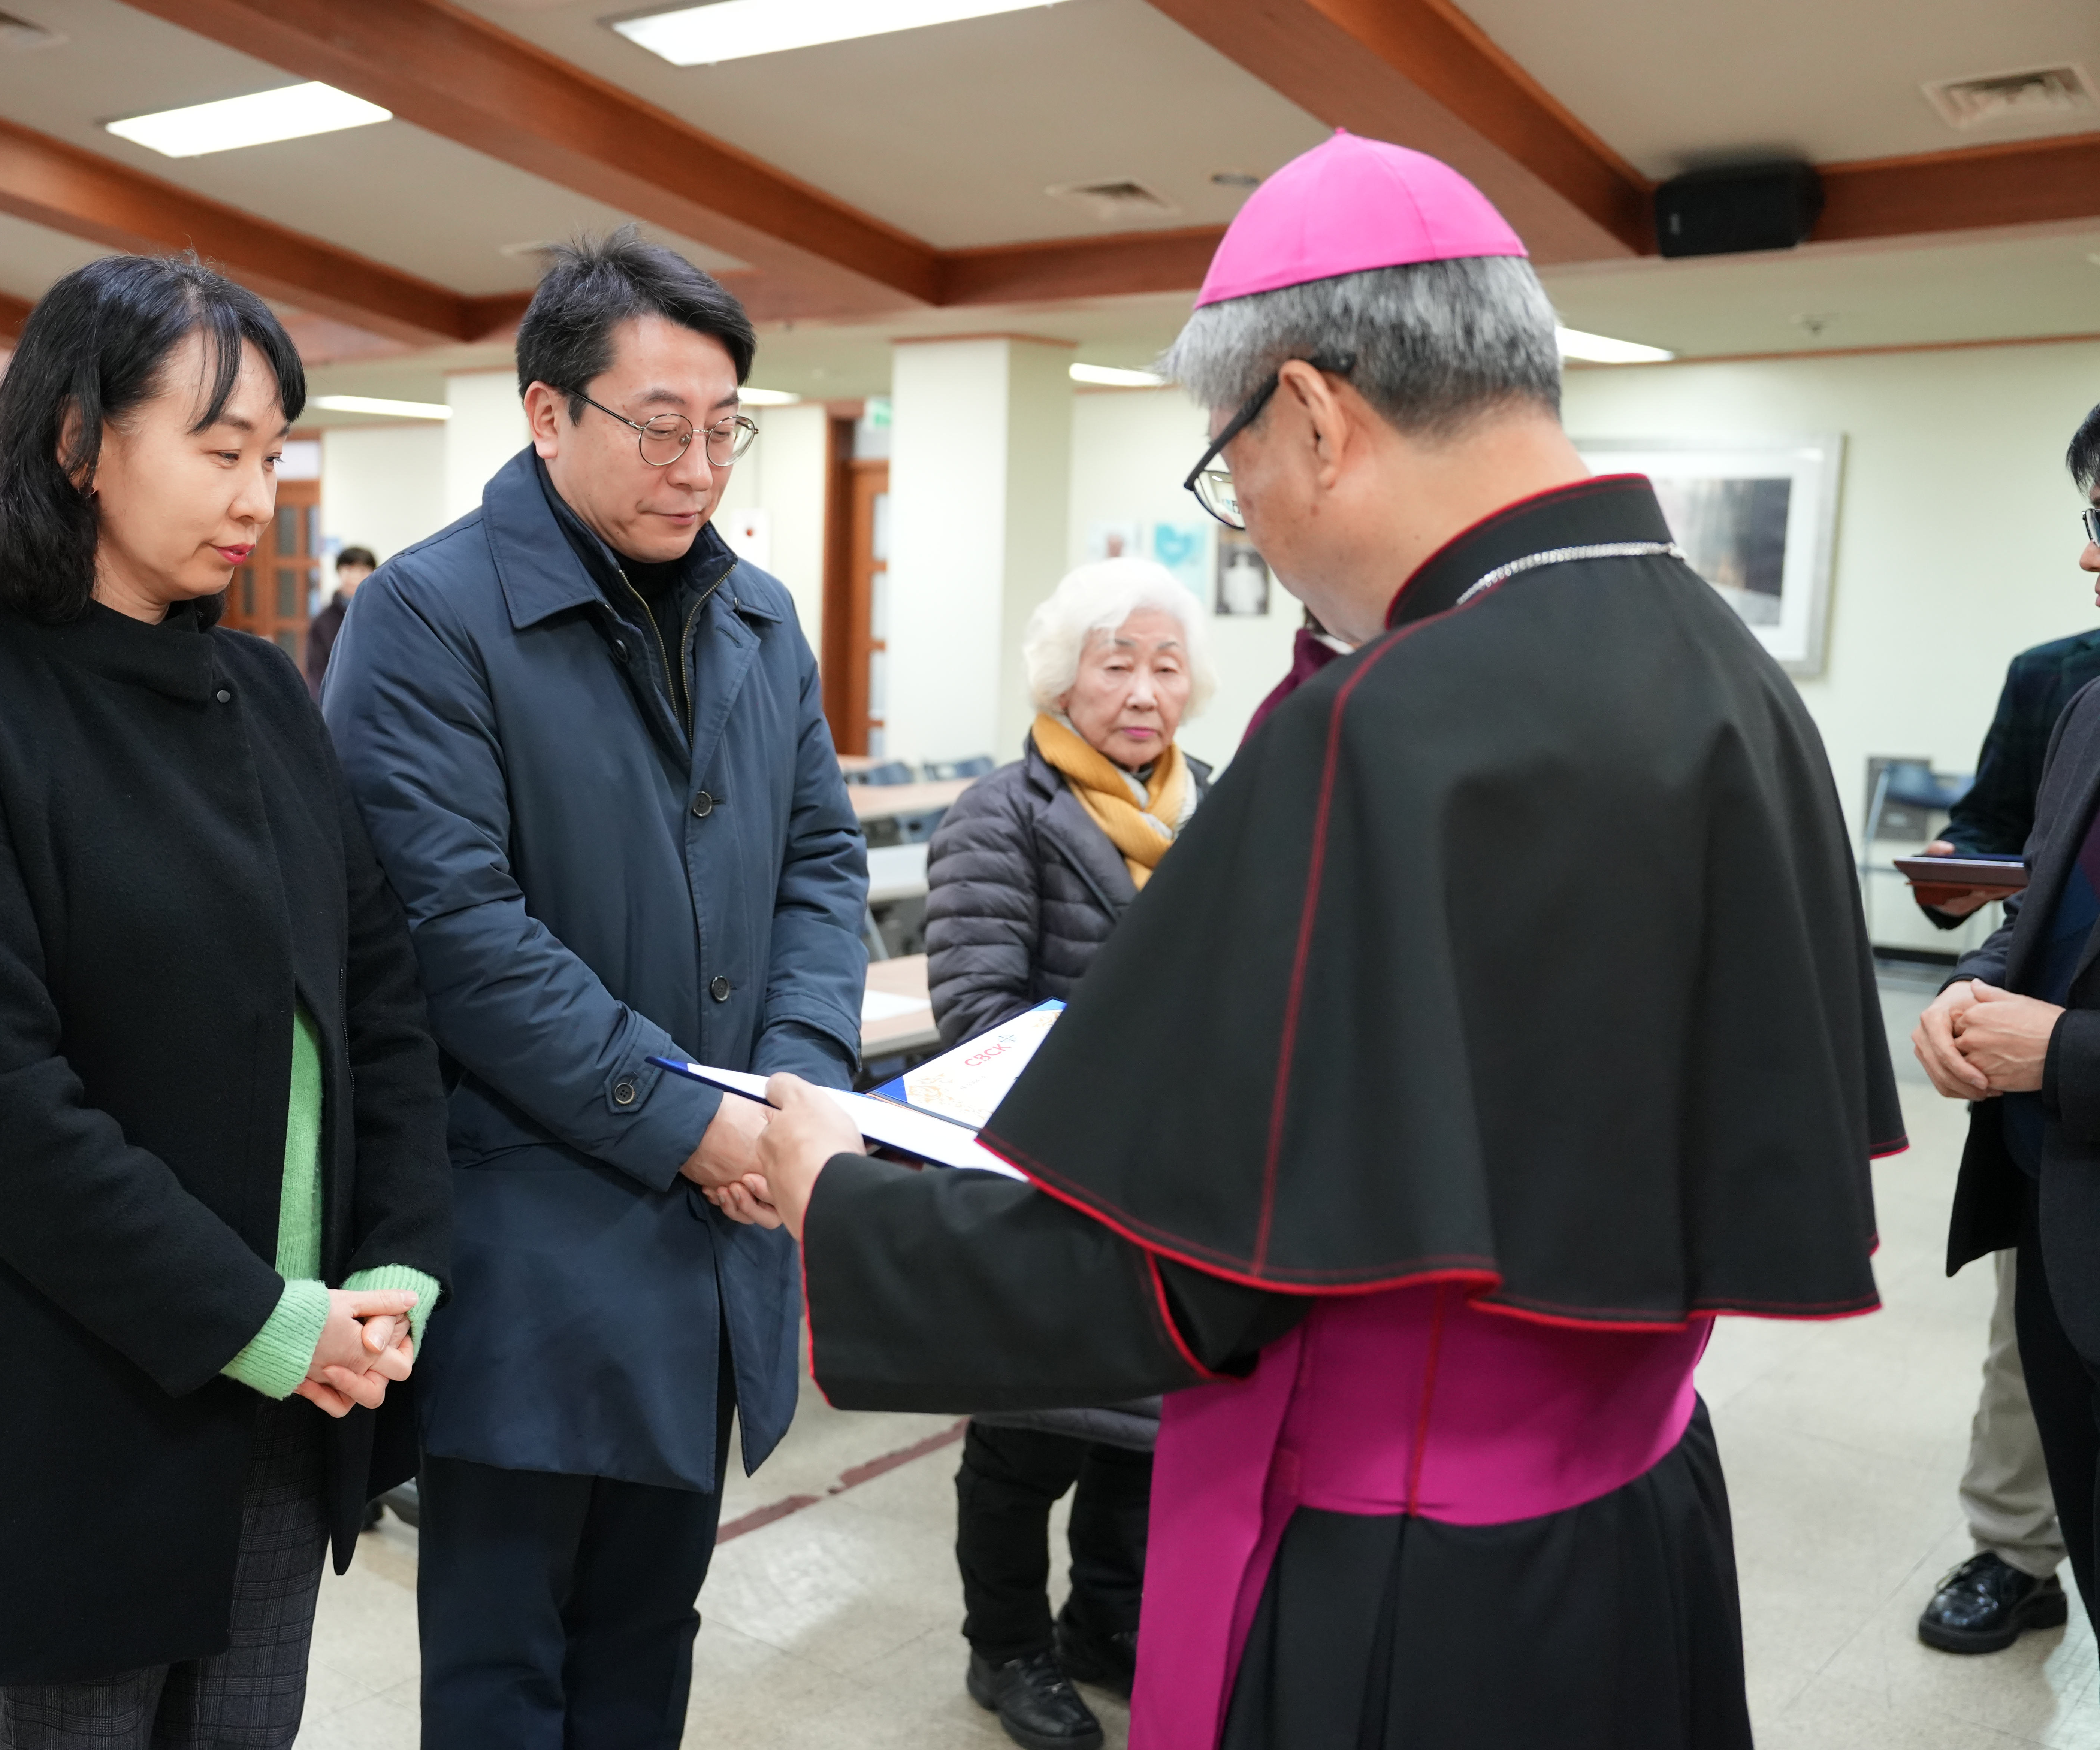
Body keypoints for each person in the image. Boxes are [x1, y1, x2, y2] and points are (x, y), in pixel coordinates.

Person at [746, 132, 1901, 1750]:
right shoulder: (1724, 665)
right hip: (1639, 1517)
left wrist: (836, 1202)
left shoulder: (1377, 729)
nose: (1262, 526)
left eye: (1237, 478)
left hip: (1406, 1584)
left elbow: (1181, 1278)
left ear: (1312, 411)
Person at [0, 252, 451, 1743]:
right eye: (220, 448)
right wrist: (259, 1315)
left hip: (305, 1384)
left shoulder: (271, 698)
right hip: (84, 1378)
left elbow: (382, 1006)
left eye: (274, 455)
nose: (257, 493)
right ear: (76, 440)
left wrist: (403, 1261)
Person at [333, 226, 867, 1749]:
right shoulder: (429, 619)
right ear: (548, 411)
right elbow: (456, 931)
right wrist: (696, 1120)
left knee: (649, 1642)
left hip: (713, 1242)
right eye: (659, 425)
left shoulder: (759, 620)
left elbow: (820, 864)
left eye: (722, 429)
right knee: (508, 1669)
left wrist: (795, 1074)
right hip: (532, 1242)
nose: (697, 465)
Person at [921, 557, 1215, 1750]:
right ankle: (1005, 1648)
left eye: (1164, 664)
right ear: (1063, 678)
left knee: (1145, 1431)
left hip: (1181, 1186)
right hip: (1043, 1174)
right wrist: (1144, 1088)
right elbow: (977, 1010)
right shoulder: (1002, 814)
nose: (1143, 691)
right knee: (1024, 1432)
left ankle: (1105, 1619)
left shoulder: (1221, 805)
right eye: (1115, 663)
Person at [1914, 400, 2100, 1678]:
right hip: (2056, 1212)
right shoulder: (2082, 703)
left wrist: (2064, 1052)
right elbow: (2035, 900)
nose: (2086, 558)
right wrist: (1971, 991)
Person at [303, 544, 372, 696]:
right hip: (336, 701)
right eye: (349, 570)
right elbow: (316, 671)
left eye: (362, 571)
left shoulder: (381, 615)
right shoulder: (323, 622)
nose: (355, 577)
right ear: (339, 572)